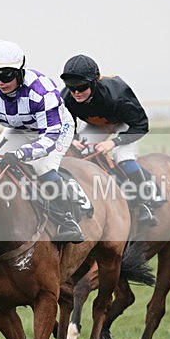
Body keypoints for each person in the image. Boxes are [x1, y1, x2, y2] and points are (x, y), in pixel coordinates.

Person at [0, 40, 84, 243]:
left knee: (42, 166)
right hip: (19, 128)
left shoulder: (42, 90)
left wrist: (21, 154)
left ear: (20, 71)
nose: (0, 82)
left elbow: (50, 137)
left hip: (55, 129)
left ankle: (68, 220)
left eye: (6, 75)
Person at [59, 54, 158, 226]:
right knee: (77, 152)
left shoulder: (117, 95)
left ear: (94, 82)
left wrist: (113, 143)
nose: (75, 92)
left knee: (122, 157)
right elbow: (66, 122)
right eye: (71, 87)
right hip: (98, 124)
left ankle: (145, 203)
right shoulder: (67, 96)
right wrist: (73, 139)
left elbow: (141, 125)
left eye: (81, 87)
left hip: (126, 123)